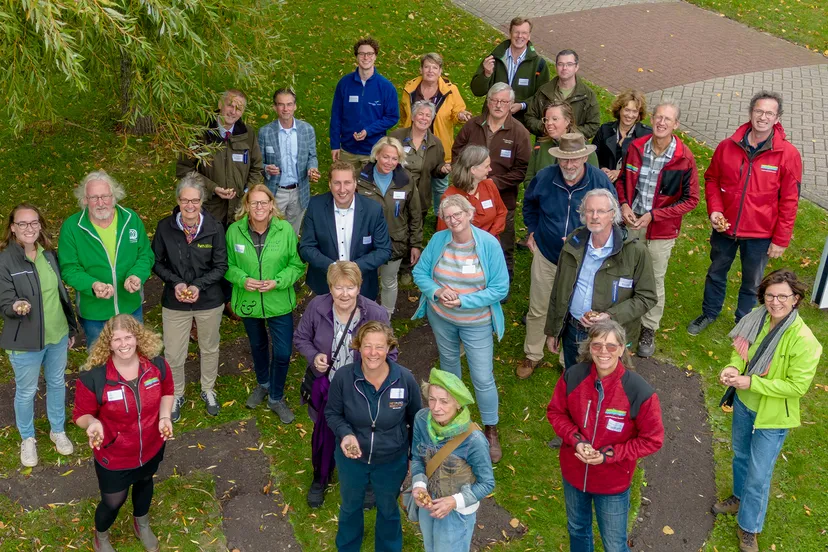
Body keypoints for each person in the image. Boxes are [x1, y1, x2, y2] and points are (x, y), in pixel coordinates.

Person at [713, 270, 821, 552]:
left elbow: (796, 387)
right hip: (745, 405)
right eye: (770, 295)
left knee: (759, 475)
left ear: (795, 299)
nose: (775, 302)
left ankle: (749, 528)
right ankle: (738, 498)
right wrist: (733, 367)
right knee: (740, 455)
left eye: (783, 296)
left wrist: (751, 382)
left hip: (772, 417)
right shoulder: (756, 317)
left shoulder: (806, 341)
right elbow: (742, 350)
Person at [688, 91, 802, 336]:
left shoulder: (788, 155)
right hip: (725, 229)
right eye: (759, 111)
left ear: (777, 117)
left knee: (752, 284)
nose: (763, 117)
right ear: (751, 113)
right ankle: (709, 313)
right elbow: (711, 178)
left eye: (769, 113)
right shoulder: (727, 147)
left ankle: (743, 324)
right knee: (716, 272)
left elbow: (790, 201)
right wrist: (715, 210)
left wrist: (781, 239)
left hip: (760, 234)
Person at [547, 320, 664, 552]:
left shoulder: (639, 391)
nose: (603, 352)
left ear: (622, 349)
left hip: (613, 482)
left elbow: (653, 439)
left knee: (614, 544)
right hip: (574, 473)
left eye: (611, 346)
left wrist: (609, 455)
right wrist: (576, 440)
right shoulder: (574, 376)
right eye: (597, 345)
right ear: (589, 347)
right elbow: (556, 412)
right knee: (577, 530)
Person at [413, 195, 509, 463]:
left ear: (470, 214)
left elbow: (500, 288)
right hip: (442, 318)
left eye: (458, 215)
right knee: (449, 368)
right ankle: (453, 421)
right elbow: (420, 273)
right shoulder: (438, 241)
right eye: (448, 216)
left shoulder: (488, 244)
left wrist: (463, 301)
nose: (454, 221)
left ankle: (490, 429)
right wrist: (436, 291)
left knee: (481, 376)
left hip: (476, 322)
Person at [294, 261, 396, 508]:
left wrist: (374, 370)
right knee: (324, 434)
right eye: (338, 287)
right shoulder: (317, 307)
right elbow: (300, 337)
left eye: (350, 287)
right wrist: (313, 356)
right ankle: (321, 477)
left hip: (363, 389)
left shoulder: (376, 314)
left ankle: (367, 482)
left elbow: (391, 354)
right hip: (329, 386)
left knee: (365, 435)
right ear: (330, 287)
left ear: (359, 288)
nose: (344, 294)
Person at [517, 134, 615, 380]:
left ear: (584, 156)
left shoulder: (598, 180)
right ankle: (533, 354)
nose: (569, 166)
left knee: (574, 309)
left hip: (583, 262)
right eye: (564, 160)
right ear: (558, 158)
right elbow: (529, 204)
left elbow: (611, 216)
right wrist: (532, 231)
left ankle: (568, 358)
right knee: (538, 306)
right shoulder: (545, 177)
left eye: (574, 160)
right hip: (547, 254)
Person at [72, 315, 174, 552]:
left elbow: (168, 390)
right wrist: (92, 423)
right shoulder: (94, 377)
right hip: (114, 454)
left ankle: (142, 523)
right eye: (116, 339)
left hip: (151, 445)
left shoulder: (156, 365)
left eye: (128, 337)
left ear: (138, 338)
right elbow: (80, 414)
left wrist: (165, 416)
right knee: (113, 501)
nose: (123, 343)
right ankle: (102, 536)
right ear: (108, 343)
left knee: (145, 481)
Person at [325, 322, 421, 552]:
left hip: (391, 460)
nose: (373, 353)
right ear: (358, 347)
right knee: (350, 507)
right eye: (367, 346)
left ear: (389, 348)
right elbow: (332, 413)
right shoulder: (344, 377)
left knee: (388, 509)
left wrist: (412, 457)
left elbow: (416, 421)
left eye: (379, 346)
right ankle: (347, 547)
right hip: (352, 461)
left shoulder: (405, 379)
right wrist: (345, 434)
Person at [615, 101, 699, 358]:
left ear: (676, 125)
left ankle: (649, 327)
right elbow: (621, 181)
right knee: (624, 273)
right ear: (652, 120)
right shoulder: (636, 148)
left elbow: (691, 199)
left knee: (654, 279)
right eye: (658, 117)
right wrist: (624, 204)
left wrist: (655, 215)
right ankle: (621, 323)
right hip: (631, 222)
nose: (662, 122)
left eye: (668, 119)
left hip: (661, 230)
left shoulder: (684, 158)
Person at [0, 204, 78, 468]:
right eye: (22, 224)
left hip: (57, 335)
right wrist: (15, 307)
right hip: (25, 340)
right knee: (26, 391)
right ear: (12, 228)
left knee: (56, 383)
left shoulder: (48, 255)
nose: (29, 228)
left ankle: (57, 430)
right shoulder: (5, 260)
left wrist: (70, 327)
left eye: (34, 223)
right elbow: (4, 301)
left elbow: (60, 294)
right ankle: (28, 438)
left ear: (40, 225)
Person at [545, 189, 657, 370]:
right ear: (583, 215)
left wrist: (610, 316)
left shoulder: (635, 251)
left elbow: (647, 297)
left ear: (613, 215)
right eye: (589, 211)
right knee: (575, 382)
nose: (595, 216)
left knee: (606, 388)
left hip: (610, 337)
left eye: (601, 211)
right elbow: (559, 289)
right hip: (573, 330)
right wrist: (552, 331)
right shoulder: (574, 242)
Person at [151, 175, 228, 421]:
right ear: (178, 200)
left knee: (209, 346)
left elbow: (221, 265)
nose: (190, 206)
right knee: (174, 353)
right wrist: (176, 283)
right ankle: (176, 393)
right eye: (185, 200)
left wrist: (198, 285)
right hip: (175, 302)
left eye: (195, 200)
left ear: (202, 201)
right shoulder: (165, 227)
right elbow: (156, 262)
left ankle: (208, 389)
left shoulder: (215, 227)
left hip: (209, 300)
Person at [226, 185, 305, 423]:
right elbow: (227, 265)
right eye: (254, 203)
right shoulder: (234, 231)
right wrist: (242, 279)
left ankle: (276, 397)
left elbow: (297, 265)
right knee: (258, 345)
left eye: (264, 202)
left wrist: (278, 282)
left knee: (282, 352)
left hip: (278, 300)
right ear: (247, 206)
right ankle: (263, 383)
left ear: (272, 205)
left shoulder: (285, 231)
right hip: (249, 300)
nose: (259, 207)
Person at [58, 170, 154, 346]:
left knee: (135, 357)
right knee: (99, 365)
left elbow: (145, 255)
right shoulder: (72, 227)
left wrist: (137, 275)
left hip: (130, 307)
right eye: (94, 198)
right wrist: (92, 285)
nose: (100, 203)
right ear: (85, 200)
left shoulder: (130, 219)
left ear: (114, 196)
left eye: (105, 196)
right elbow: (69, 269)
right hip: (95, 313)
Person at [452, 82, 531, 281]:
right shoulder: (473, 125)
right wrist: (466, 178)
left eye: (503, 101)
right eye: (494, 100)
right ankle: (467, 277)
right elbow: (456, 152)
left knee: (502, 242)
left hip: (502, 199)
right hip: (468, 195)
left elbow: (522, 170)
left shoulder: (519, 133)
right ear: (488, 102)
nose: (498, 105)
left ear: (511, 104)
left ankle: (503, 279)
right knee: (467, 236)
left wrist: (494, 183)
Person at [411, 368, 495, 552]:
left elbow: (487, 483)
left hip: (456, 513)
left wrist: (454, 501)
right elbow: (417, 457)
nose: (435, 407)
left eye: (444, 401)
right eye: (432, 399)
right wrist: (419, 485)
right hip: (429, 504)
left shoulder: (474, 440)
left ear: (458, 403)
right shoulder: (421, 419)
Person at [300, 161, 392, 301]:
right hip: (324, 285)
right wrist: (333, 268)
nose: (342, 189)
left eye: (347, 183)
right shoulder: (315, 206)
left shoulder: (373, 210)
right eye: (337, 183)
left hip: (363, 286)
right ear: (330, 184)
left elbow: (384, 250)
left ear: (355, 183)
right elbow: (306, 247)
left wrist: (354, 268)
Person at [175, 89, 264, 228]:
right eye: (230, 105)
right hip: (208, 209)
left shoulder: (247, 134)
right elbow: (184, 169)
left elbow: (257, 167)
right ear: (220, 104)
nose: (233, 112)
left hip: (238, 211)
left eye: (238, 108)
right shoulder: (199, 133)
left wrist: (246, 194)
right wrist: (213, 188)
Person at [357, 137, 422, 317]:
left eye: (395, 158)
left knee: (389, 281)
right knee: (364, 281)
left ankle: (386, 318)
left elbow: (415, 214)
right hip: (365, 242)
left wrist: (415, 244)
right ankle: (363, 315)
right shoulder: (360, 177)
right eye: (386, 157)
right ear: (376, 155)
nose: (390, 162)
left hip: (395, 241)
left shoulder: (406, 180)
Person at [399, 53, 473, 213]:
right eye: (427, 67)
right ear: (421, 69)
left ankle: (442, 218)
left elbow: (458, 111)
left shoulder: (450, 90)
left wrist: (461, 115)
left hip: (439, 148)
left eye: (435, 67)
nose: (430, 71)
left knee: (440, 187)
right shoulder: (409, 88)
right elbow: (404, 113)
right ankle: (409, 214)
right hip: (412, 146)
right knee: (408, 182)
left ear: (440, 71)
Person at [330, 37, 399, 170]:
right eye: (362, 54)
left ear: (375, 57)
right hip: (347, 150)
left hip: (374, 151)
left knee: (370, 190)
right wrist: (334, 144)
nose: (365, 57)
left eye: (370, 54)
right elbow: (336, 116)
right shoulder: (344, 84)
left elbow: (392, 117)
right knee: (346, 187)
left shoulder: (386, 87)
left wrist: (369, 131)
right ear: (356, 57)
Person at [258, 87, 321, 235]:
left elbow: (312, 156)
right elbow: (257, 163)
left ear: (295, 106)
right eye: (281, 104)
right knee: (273, 232)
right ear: (275, 107)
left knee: (292, 233)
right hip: (276, 191)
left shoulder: (307, 130)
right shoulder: (265, 132)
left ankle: (290, 256)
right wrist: (266, 168)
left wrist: (312, 168)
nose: (285, 109)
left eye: (289, 104)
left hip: (299, 191)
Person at [469, 17, 550, 126]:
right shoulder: (494, 59)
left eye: (524, 33)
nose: (520, 36)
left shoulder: (539, 64)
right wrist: (486, 74)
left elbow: (542, 97)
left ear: (529, 35)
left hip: (519, 124)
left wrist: (522, 105)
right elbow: (476, 91)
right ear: (510, 33)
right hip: (491, 121)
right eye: (516, 32)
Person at [390, 99, 449, 222]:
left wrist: (442, 169)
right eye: (420, 114)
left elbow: (436, 170)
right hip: (394, 193)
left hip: (419, 197)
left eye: (428, 115)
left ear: (432, 119)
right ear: (412, 116)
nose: (424, 118)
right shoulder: (396, 137)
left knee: (415, 231)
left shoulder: (436, 143)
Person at [524, 49, 600, 139]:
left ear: (576, 67)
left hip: (574, 147)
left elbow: (594, 125)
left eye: (569, 64)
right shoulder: (544, 91)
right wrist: (548, 128)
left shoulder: (587, 95)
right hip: (546, 145)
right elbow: (529, 117)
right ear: (556, 67)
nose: (564, 68)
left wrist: (569, 134)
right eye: (560, 64)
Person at [524, 101, 599, 186]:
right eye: (546, 119)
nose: (549, 123)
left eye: (555, 119)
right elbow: (529, 180)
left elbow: (594, 182)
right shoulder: (539, 147)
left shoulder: (584, 150)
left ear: (567, 121)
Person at [437, 145, 506, 237]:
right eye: (487, 166)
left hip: (490, 243)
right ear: (473, 169)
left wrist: (489, 237)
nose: (490, 169)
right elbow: (443, 233)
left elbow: (501, 212)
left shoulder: (489, 186)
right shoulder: (450, 197)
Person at [593, 90, 652, 183]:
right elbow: (593, 155)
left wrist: (621, 173)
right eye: (627, 110)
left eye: (634, 111)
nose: (630, 115)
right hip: (603, 181)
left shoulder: (646, 135)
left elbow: (648, 167)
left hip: (630, 185)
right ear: (619, 110)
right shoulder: (605, 129)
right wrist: (601, 169)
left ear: (639, 114)